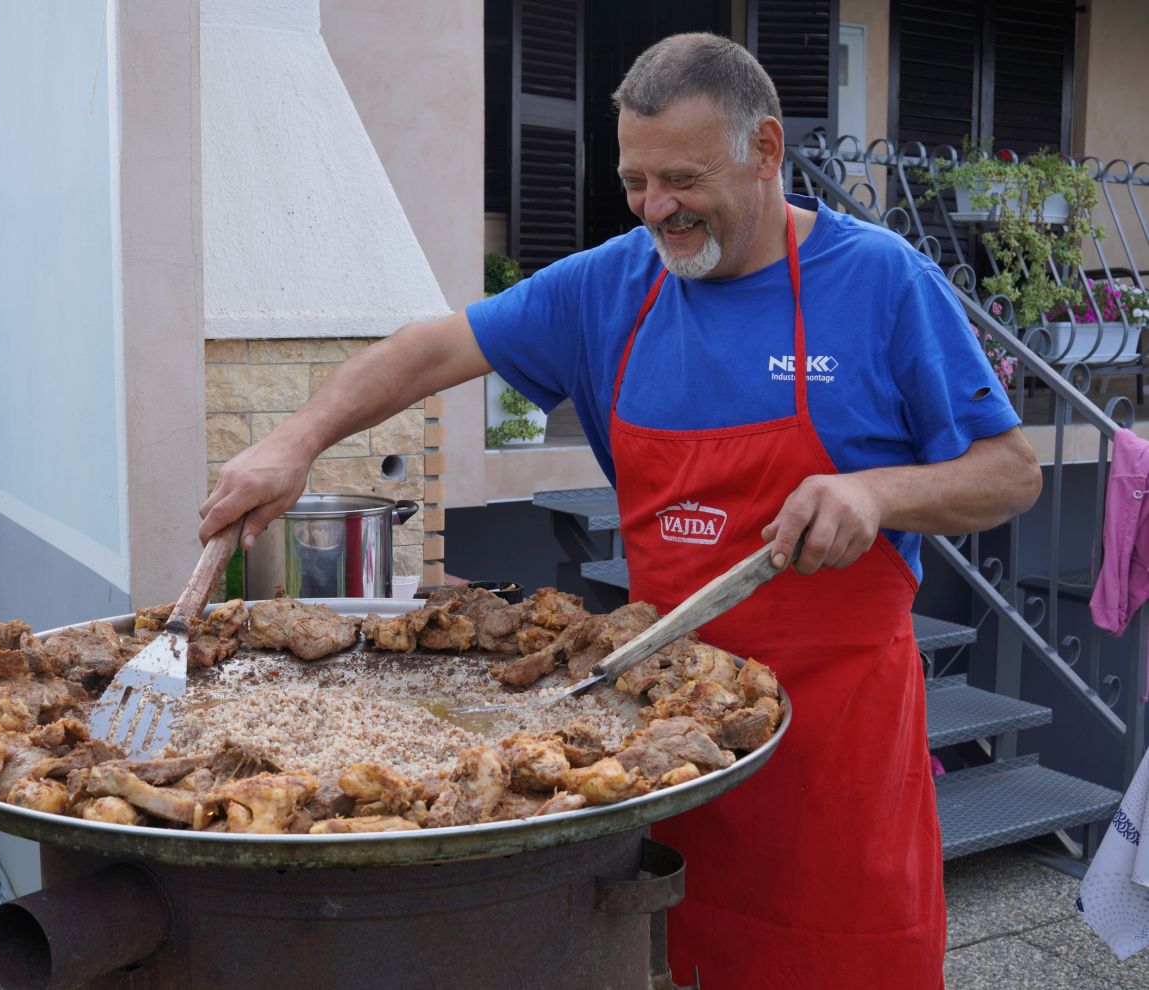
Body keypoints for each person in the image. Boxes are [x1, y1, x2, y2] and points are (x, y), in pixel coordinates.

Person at [199, 32, 1041, 988]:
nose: (656, 209)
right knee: (653, 950)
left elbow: (1008, 472)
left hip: (832, 736)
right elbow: (431, 350)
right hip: (659, 722)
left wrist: (877, 490)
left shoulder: (882, 281)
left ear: (765, 150)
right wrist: (293, 441)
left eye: (681, 178)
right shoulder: (611, 283)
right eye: (635, 182)